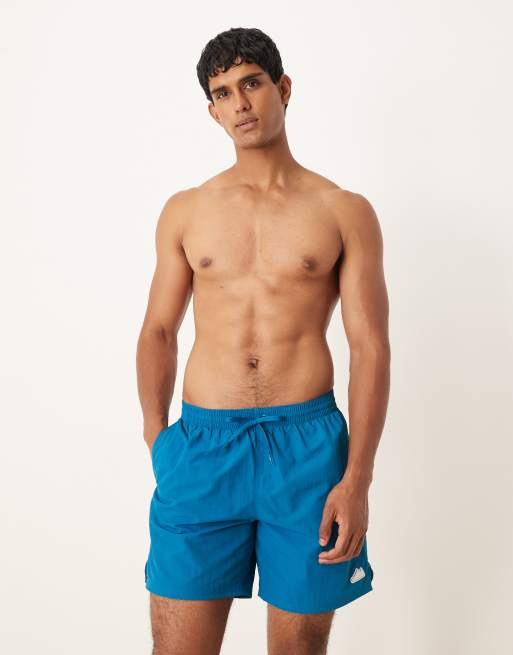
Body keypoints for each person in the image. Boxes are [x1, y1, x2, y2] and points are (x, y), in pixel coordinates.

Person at [136, 26, 390, 655]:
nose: (240, 103)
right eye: (222, 93)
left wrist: (357, 478)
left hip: (308, 453)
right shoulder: (186, 210)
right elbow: (159, 329)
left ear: (284, 87)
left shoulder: (343, 209)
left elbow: (370, 347)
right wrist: (157, 436)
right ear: (212, 111)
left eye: (251, 83)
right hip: (202, 449)